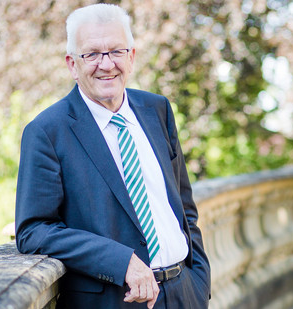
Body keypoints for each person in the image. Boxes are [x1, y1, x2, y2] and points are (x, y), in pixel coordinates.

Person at [14, 3, 210, 308]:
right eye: (92, 54)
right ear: (71, 64)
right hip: (116, 300)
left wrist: (200, 281)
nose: (106, 65)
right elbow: (34, 230)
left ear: (131, 57)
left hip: (184, 293)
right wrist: (122, 262)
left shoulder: (157, 110)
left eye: (116, 51)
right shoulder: (48, 131)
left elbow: (184, 206)